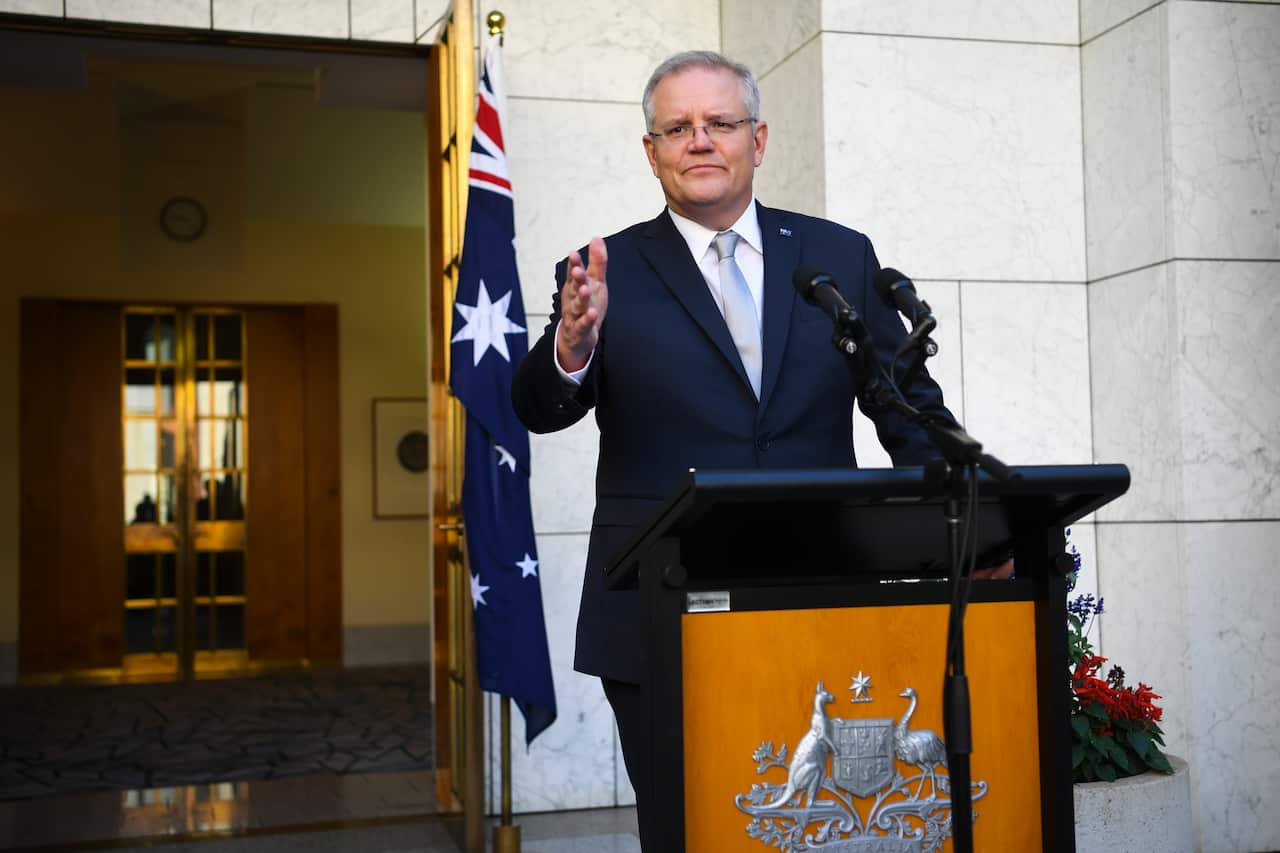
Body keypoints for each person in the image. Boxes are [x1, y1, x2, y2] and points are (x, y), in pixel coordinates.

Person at [511, 50, 980, 848]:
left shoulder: (837, 257)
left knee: (829, 829)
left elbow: (904, 409)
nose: (700, 140)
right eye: (677, 127)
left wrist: (974, 515)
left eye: (719, 123)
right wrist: (571, 345)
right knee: (691, 825)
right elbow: (540, 407)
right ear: (652, 150)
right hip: (660, 605)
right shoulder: (601, 272)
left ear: (757, 140)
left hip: (822, 585)